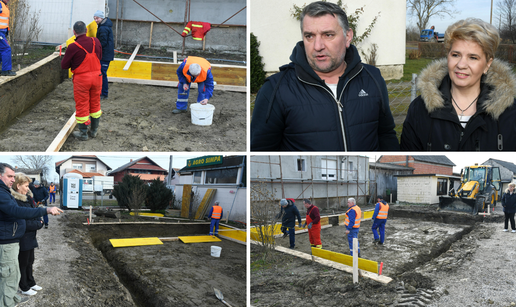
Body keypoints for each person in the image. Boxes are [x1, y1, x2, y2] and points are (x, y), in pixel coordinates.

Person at [250, 1, 399, 151]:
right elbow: (260, 149)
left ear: (348, 36)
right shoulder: (275, 90)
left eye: (328, 35)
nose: (317, 46)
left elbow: (386, 134)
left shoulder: (372, 78)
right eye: (309, 36)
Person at [401, 18, 516, 151]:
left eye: (473, 57)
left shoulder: (511, 114)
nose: (461, 65)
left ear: (487, 64)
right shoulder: (419, 109)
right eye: (456, 55)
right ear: (448, 56)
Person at [0, 163, 62, 307]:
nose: (12, 179)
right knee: (8, 275)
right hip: (7, 241)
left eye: (14, 177)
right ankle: (7, 302)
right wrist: (45, 210)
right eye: (10, 176)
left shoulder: (5, 192)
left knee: (13, 274)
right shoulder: (3, 194)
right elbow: (18, 212)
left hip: (13, 239)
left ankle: (11, 298)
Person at [61, 21, 103, 141]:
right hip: (97, 77)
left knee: (82, 105)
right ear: (86, 30)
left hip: (82, 79)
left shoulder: (73, 46)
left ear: (74, 32)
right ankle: (94, 131)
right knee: (95, 103)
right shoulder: (96, 41)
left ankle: (83, 134)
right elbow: (100, 56)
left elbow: (64, 65)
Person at [12, 173, 44, 296]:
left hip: (31, 236)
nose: (28, 188)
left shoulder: (28, 198)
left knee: (30, 260)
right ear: (18, 186)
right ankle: (24, 286)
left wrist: (39, 220)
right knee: (23, 262)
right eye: (25, 186)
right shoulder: (15, 201)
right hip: (22, 237)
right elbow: (23, 222)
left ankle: (31, 282)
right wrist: (38, 224)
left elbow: (35, 212)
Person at [93, 10, 114, 100]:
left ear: (101, 18)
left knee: (102, 73)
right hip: (106, 54)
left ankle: (104, 94)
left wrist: (94, 47)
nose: (95, 20)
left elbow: (103, 43)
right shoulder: (104, 26)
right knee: (101, 73)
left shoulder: (103, 28)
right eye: (94, 18)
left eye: (97, 18)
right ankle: (102, 92)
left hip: (105, 55)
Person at [0, 0, 15, 76]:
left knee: (1, 51)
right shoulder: (0, 4)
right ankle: (6, 71)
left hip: (2, 32)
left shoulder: (4, 5)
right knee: (6, 49)